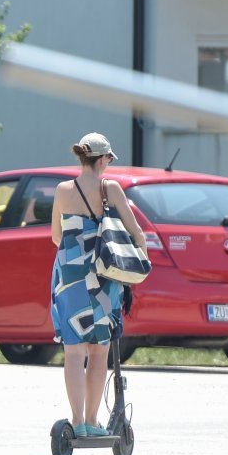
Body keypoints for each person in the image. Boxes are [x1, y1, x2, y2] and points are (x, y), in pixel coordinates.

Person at [50, 133, 148, 437]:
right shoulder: (111, 188)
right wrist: (140, 258)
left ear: (82, 157)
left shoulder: (63, 190)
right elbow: (137, 233)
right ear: (103, 158)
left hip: (69, 278)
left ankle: (76, 421)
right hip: (104, 278)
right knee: (98, 351)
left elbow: (56, 237)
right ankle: (92, 422)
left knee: (73, 352)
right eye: (109, 158)